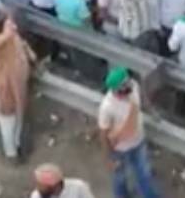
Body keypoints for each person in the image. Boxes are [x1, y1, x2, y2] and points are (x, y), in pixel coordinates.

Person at [98, 66, 161, 198]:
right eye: (123, 88)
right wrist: (108, 159)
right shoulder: (107, 107)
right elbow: (104, 135)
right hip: (120, 150)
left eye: (128, 83)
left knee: (144, 174)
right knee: (120, 178)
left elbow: (142, 99)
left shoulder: (133, 86)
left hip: (138, 142)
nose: (128, 89)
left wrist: (151, 111)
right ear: (115, 90)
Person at [0, 11, 35, 161]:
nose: (14, 26)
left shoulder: (14, 37)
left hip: (18, 86)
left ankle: (18, 143)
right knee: (8, 121)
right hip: (5, 87)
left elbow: (23, 46)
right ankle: (11, 152)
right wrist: (8, 33)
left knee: (19, 117)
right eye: (9, 24)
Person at [30, 163, 96, 198]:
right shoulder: (36, 195)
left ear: (55, 186)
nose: (38, 188)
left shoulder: (78, 186)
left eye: (42, 185)